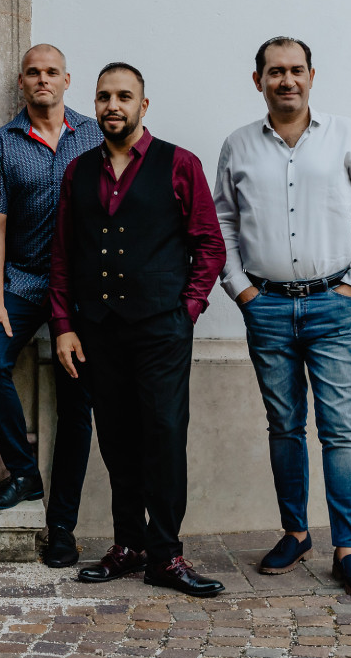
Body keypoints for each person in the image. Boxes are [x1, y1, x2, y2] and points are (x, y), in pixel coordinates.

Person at [213, 36, 351, 600]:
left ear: (312, 75)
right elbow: (222, 222)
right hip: (266, 307)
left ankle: (349, 548)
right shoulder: (238, 145)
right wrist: (241, 290)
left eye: (295, 70)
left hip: (333, 306)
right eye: (275, 71)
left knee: (340, 429)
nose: (286, 80)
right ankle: (295, 533)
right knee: (284, 426)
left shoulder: (346, 135)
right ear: (258, 80)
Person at [49, 62, 227, 596]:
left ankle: (166, 554)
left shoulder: (180, 163)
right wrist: (63, 325)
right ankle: (128, 545)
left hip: (161, 329)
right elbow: (63, 254)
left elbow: (210, 244)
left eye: (124, 96)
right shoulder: (78, 171)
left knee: (164, 437)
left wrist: (187, 309)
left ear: (142, 106)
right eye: (104, 96)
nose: (113, 106)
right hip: (98, 330)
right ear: (94, 104)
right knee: (116, 437)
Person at [0, 44, 101, 566]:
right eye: (32, 72)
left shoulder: (95, 134)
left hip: (80, 290)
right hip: (23, 282)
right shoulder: (1, 144)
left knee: (77, 404)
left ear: (67, 80)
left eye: (51, 72)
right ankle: (24, 473)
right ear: (21, 82)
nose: (42, 79)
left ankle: (62, 526)